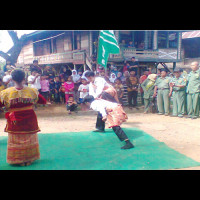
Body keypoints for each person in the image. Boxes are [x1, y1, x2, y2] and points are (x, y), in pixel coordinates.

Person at [0, 69, 47, 166]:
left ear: (12, 79)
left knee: (15, 139)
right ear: (24, 78)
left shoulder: (5, 93)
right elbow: (43, 101)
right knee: (29, 138)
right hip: (29, 118)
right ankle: (28, 159)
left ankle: (17, 159)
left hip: (14, 120)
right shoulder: (32, 91)